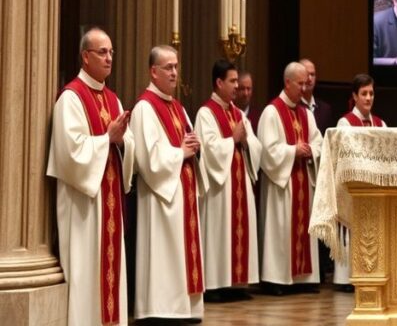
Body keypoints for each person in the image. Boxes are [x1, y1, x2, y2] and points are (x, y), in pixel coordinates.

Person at [48, 28, 135, 326]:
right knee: (88, 272)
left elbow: (128, 145)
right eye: (102, 51)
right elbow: (69, 154)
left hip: (109, 203)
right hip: (84, 207)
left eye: (111, 52)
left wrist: (123, 141)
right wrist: (106, 139)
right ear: (85, 56)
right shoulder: (70, 98)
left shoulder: (114, 100)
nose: (109, 57)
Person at [130, 45, 204, 321]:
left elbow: (188, 143)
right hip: (161, 198)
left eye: (176, 66)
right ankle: (160, 309)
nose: (174, 73)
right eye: (168, 68)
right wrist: (180, 153)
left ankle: (185, 308)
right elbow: (147, 160)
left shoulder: (178, 108)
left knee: (183, 254)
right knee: (164, 254)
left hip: (182, 193)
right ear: (153, 71)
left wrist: (195, 147)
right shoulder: (144, 108)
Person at [195, 59, 262, 300]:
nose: (237, 86)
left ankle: (236, 284)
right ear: (219, 82)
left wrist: (245, 141)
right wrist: (232, 139)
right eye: (232, 81)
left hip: (240, 182)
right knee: (219, 232)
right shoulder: (206, 113)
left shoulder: (237, 113)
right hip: (219, 188)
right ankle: (215, 285)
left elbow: (256, 147)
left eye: (238, 81)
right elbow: (208, 150)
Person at [257, 62, 323, 293]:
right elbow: (267, 151)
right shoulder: (271, 112)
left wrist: (310, 150)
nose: (304, 88)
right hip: (282, 185)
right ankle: (277, 280)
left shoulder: (306, 114)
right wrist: (293, 150)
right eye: (300, 83)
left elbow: (318, 142)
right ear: (287, 82)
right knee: (281, 230)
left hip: (303, 178)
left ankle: (304, 279)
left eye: (307, 83)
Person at [331, 73, 386, 292]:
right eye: (364, 93)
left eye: (371, 93)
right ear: (354, 96)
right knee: (350, 228)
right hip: (352, 186)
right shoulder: (344, 123)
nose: (368, 98)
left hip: (372, 186)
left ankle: (370, 274)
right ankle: (345, 278)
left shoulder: (381, 124)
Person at [298, 58, 334, 134]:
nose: (310, 78)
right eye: (307, 74)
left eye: (312, 74)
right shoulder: (293, 107)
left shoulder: (326, 109)